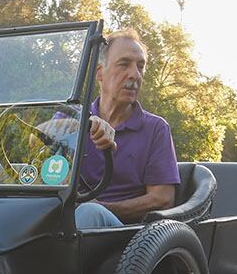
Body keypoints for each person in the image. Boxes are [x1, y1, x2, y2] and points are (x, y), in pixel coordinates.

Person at [70, 30, 181, 228]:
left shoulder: (156, 129)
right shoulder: (73, 116)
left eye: (140, 66)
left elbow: (162, 199)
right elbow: (35, 141)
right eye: (124, 64)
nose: (134, 75)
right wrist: (85, 125)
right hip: (66, 226)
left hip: (124, 239)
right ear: (99, 72)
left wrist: (104, 207)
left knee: (90, 213)